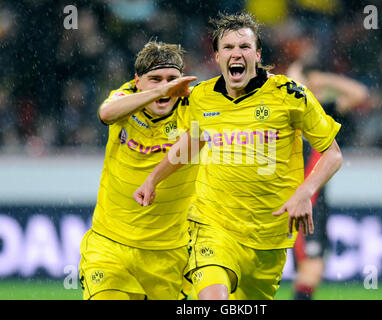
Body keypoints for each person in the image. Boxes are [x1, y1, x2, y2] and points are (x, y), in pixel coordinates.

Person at [133, 12, 343, 300]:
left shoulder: (290, 96)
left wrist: (306, 191)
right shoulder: (201, 97)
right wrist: (153, 179)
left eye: (244, 47)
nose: (237, 53)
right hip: (213, 226)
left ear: (257, 55)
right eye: (228, 48)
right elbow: (192, 143)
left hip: (269, 239)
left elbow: (332, 154)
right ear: (217, 56)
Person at [78, 41, 198, 300]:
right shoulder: (124, 98)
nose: (165, 86)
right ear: (137, 81)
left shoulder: (195, 108)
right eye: (155, 79)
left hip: (167, 254)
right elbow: (105, 113)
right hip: (109, 245)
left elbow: (196, 142)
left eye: (171, 79)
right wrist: (160, 92)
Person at [287, 61, 368, 300]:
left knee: (311, 269)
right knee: (311, 268)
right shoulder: (290, 112)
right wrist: (300, 81)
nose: (318, 91)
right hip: (302, 199)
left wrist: (324, 79)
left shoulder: (324, 113)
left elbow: (359, 94)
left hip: (317, 201)